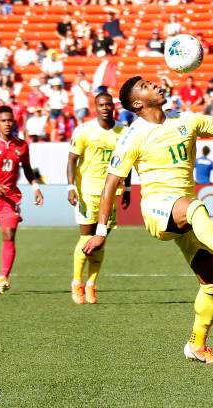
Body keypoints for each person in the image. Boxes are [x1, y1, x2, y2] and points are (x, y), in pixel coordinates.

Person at [82, 76, 213, 364]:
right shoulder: (132, 137)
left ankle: (197, 345)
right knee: (194, 206)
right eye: (145, 86)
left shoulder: (186, 120)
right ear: (138, 103)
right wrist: (101, 232)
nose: (154, 84)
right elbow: (110, 185)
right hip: (157, 210)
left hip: (185, 215)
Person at [0, 105, 44, 294]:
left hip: (9, 198)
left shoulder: (21, 146)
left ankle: (3, 277)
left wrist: (35, 187)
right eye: (3, 121)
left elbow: (27, 169)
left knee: (9, 235)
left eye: (10, 120)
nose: (7, 124)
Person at [67, 93, 131, 305]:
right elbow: (71, 160)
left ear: (113, 107)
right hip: (87, 192)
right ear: (95, 107)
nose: (105, 108)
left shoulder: (124, 132)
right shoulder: (84, 131)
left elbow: (127, 162)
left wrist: (128, 189)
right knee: (86, 239)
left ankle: (91, 284)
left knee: (101, 241)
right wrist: (71, 187)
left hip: (111, 193)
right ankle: (77, 282)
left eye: (108, 104)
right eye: (101, 105)